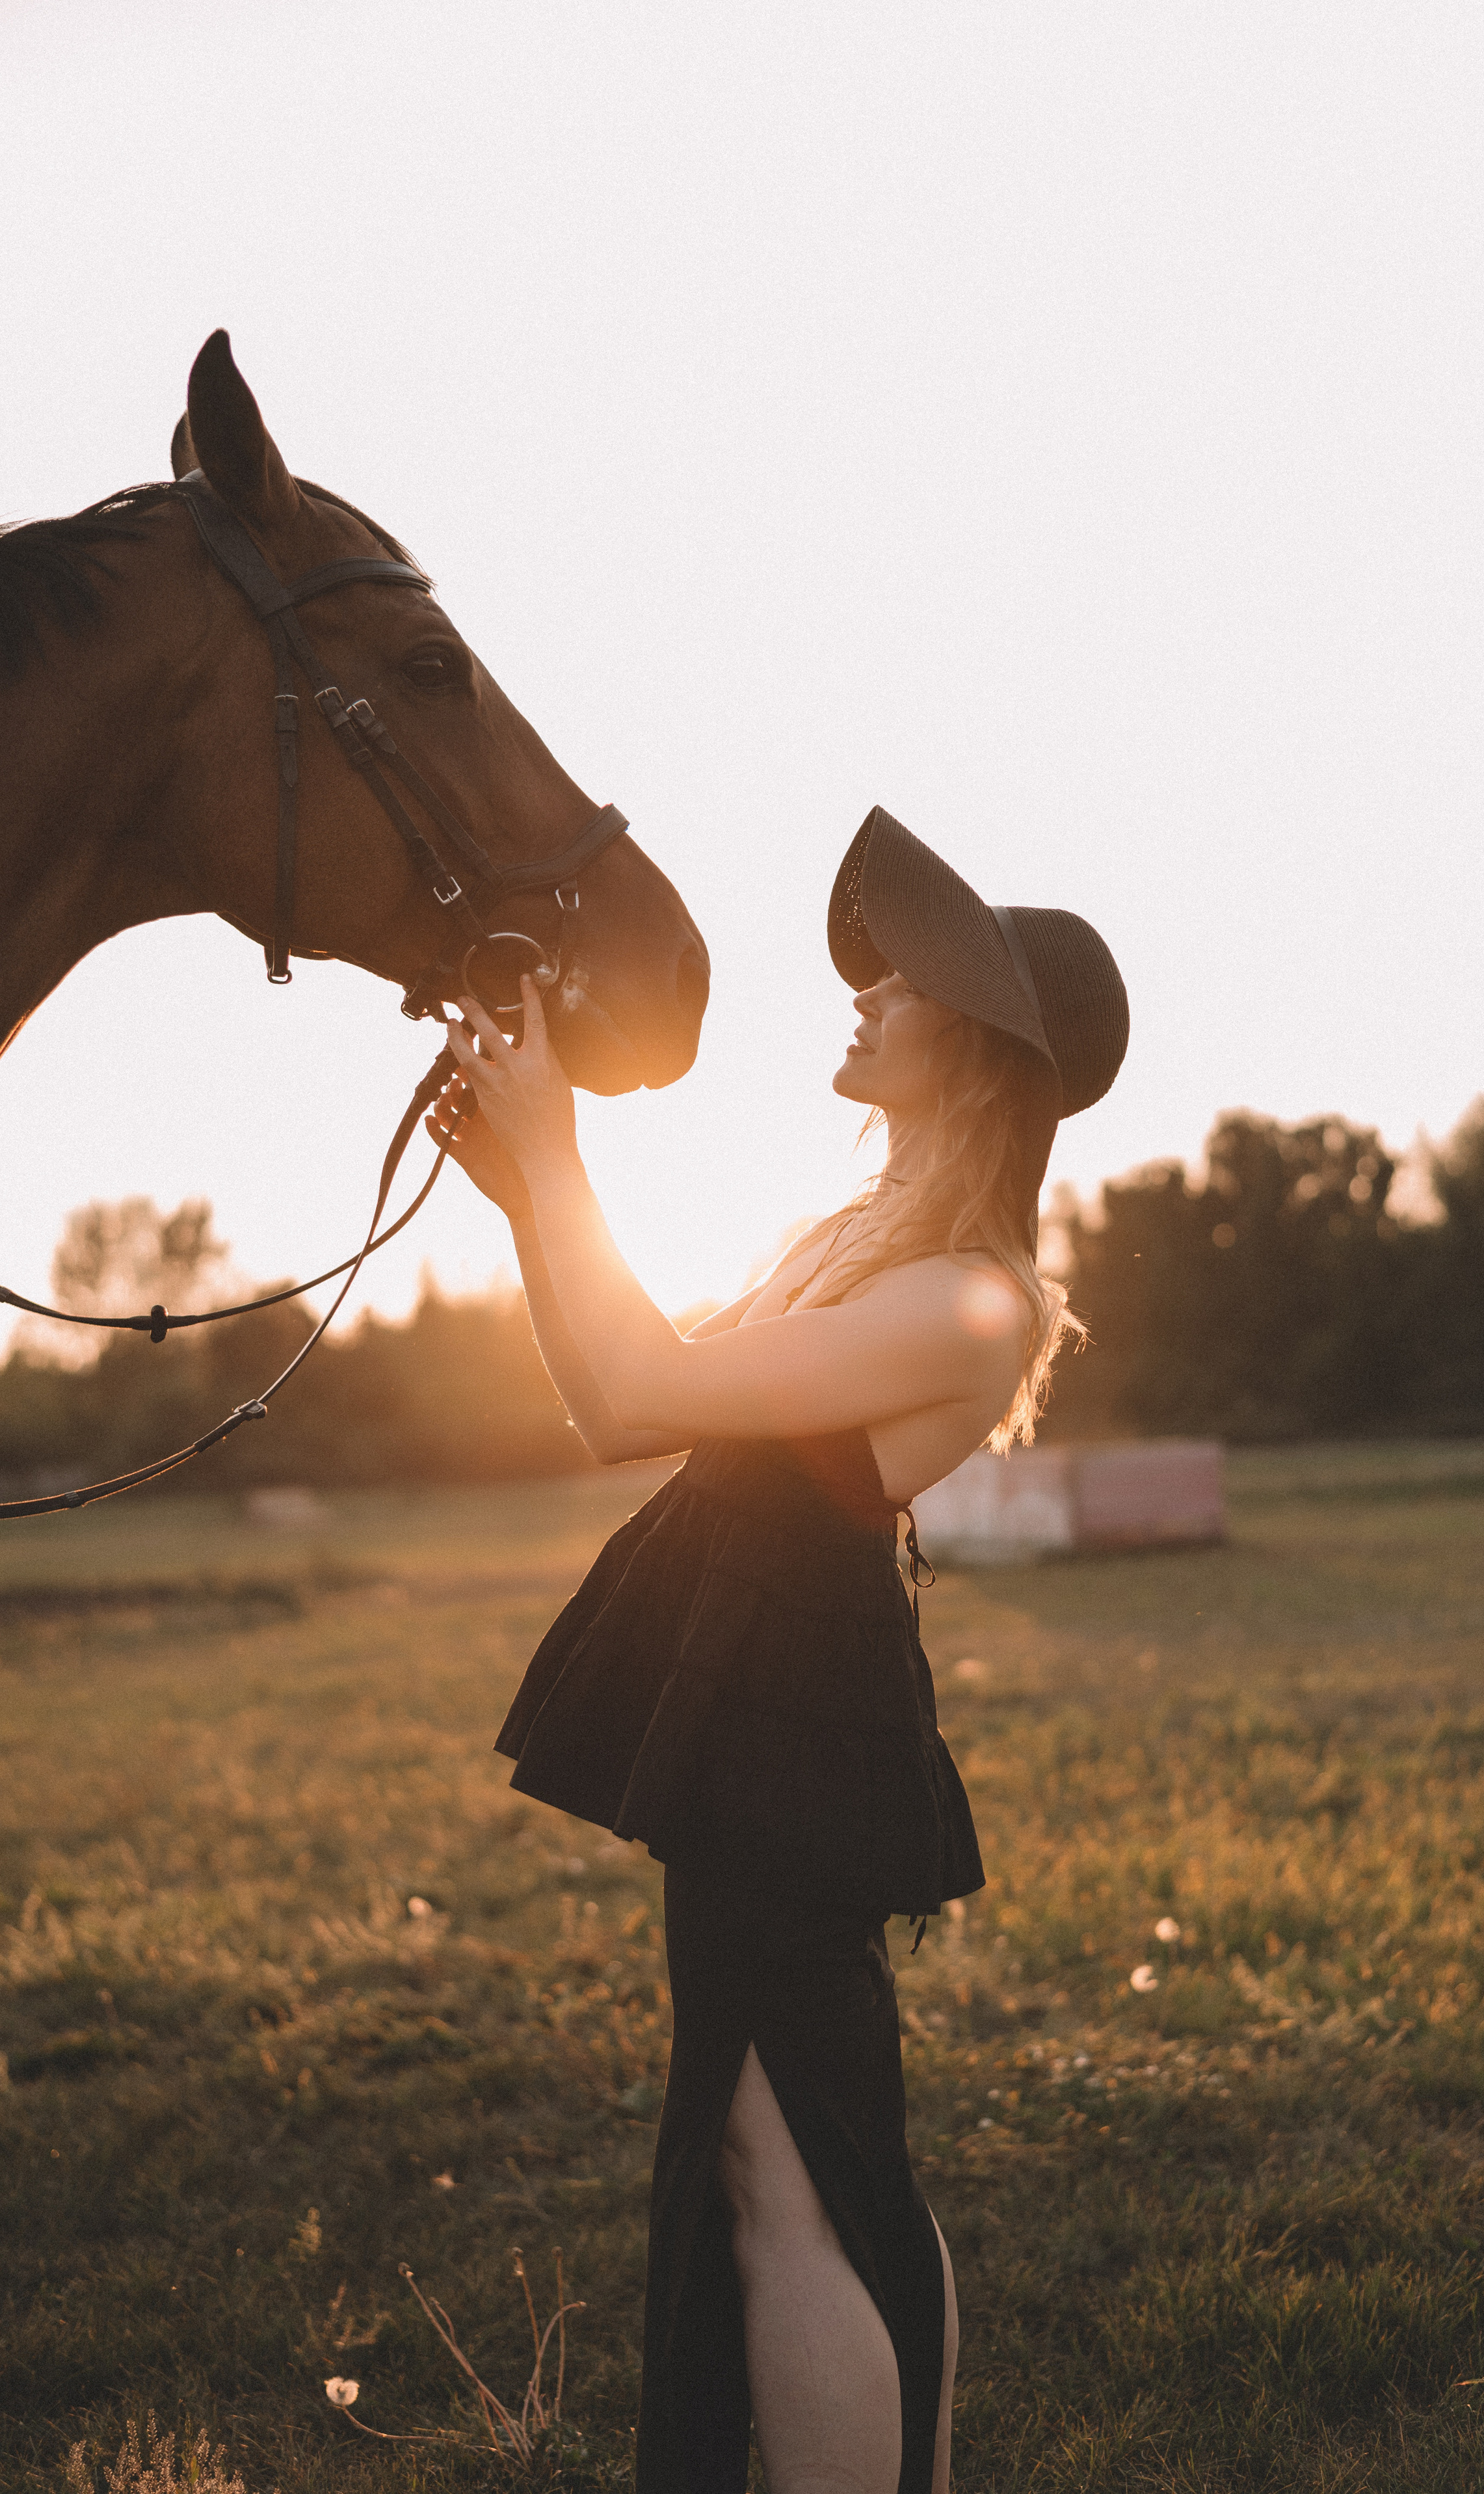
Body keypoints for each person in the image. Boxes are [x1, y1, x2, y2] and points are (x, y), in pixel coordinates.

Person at [429, 807, 1129, 2494]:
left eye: (907, 980)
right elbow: (620, 1399)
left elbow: (649, 1385)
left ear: (978, 1049)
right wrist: (528, 1187)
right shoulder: (854, 1242)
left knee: (791, 2168)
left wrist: (560, 1155)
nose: (867, 990)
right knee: (814, 2146)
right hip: (759, 1714)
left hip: (795, 1729)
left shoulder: (969, 1296)